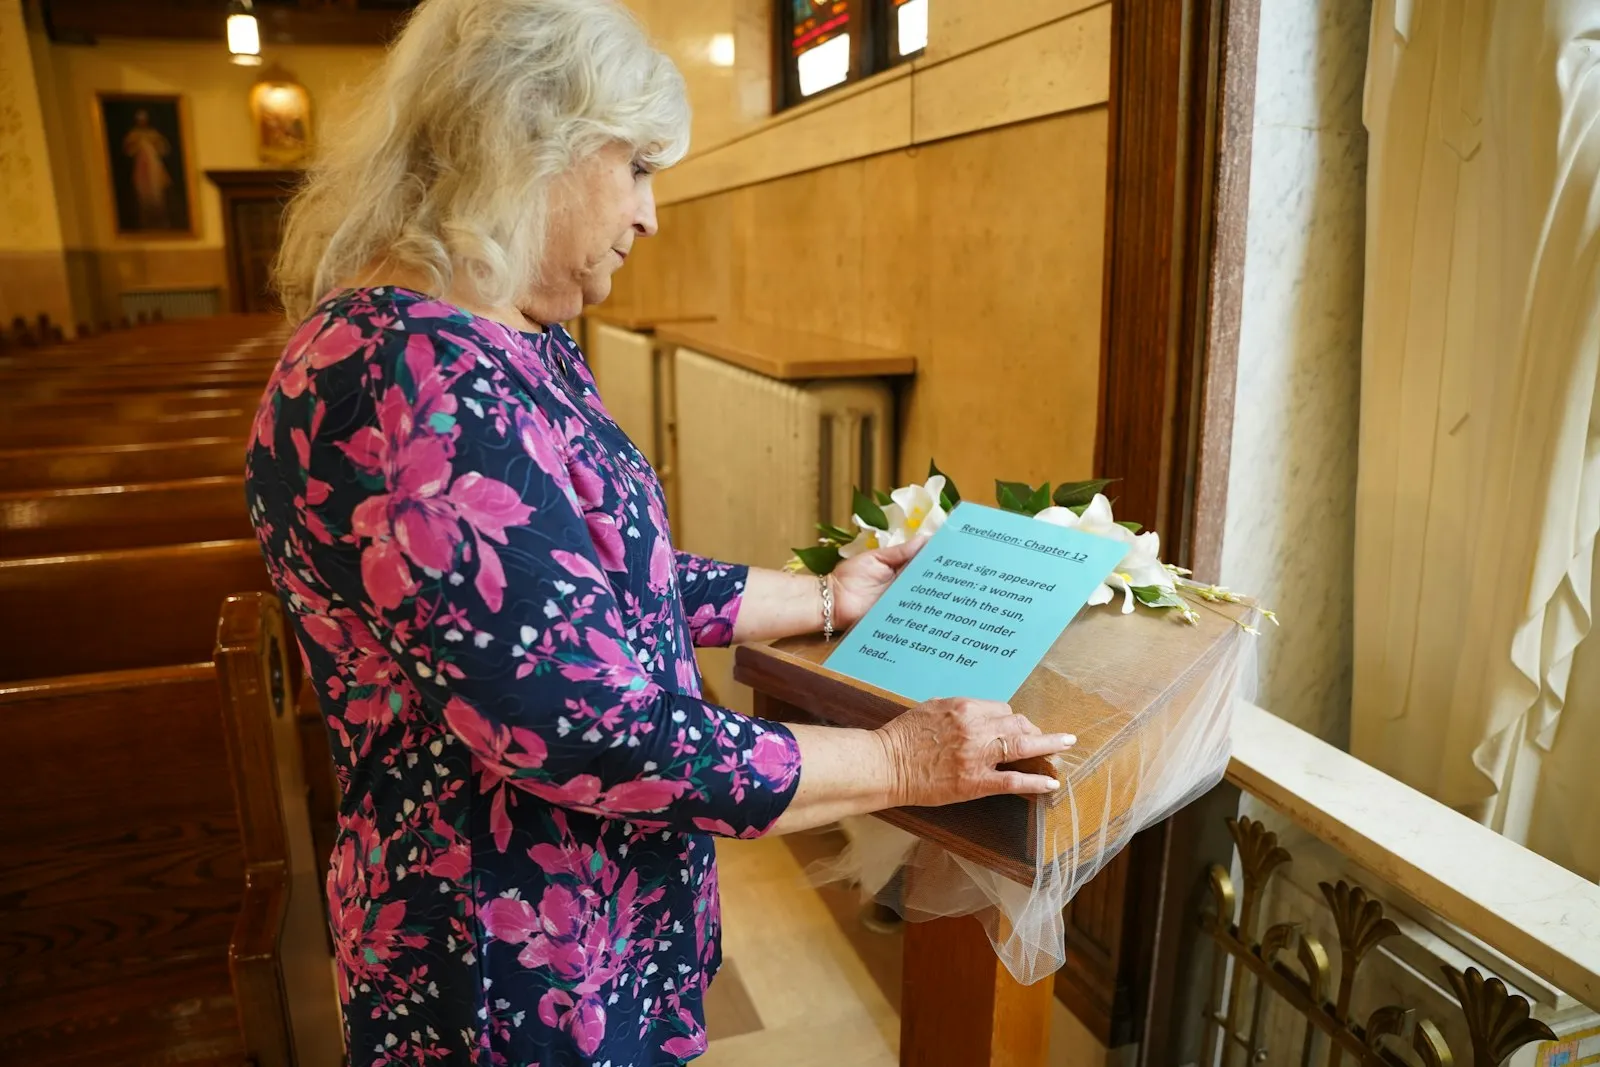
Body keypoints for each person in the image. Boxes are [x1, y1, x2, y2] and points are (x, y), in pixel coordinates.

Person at [250, 0, 1073, 1062]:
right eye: (635, 164)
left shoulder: (494, 342)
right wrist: (899, 759)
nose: (650, 214)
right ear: (523, 140)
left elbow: (584, 589)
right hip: (499, 961)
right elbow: (581, 720)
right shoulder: (408, 377)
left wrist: (825, 597)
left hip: (575, 921)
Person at [123, 109, 173, 230]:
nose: (142, 122)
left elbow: (163, 148)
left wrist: (153, 145)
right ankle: (145, 221)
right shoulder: (133, 135)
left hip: (154, 168)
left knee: (158, 194)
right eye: (140, 120)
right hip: (141, 169)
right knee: (143, 195)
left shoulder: (153, 134)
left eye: (144, 120)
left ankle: (161, 220)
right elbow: (129, 150)